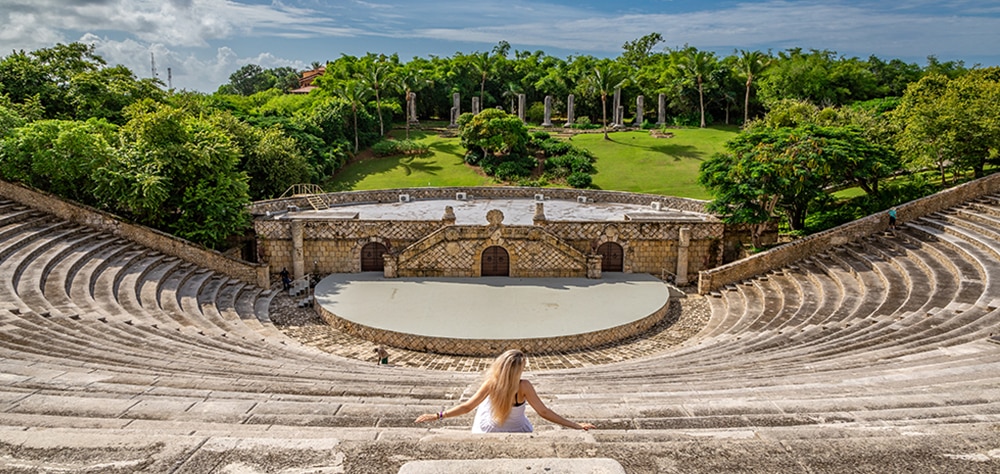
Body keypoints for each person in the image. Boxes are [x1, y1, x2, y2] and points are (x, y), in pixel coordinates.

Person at [414, 349, 596, 432]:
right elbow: (543, 412)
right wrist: (576, 425)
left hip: (490, 429)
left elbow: (467, 407)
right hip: (518, 429)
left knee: (483, 403)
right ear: (518, 370)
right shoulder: (524, 386)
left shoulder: (491, 384)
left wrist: (437, 415)